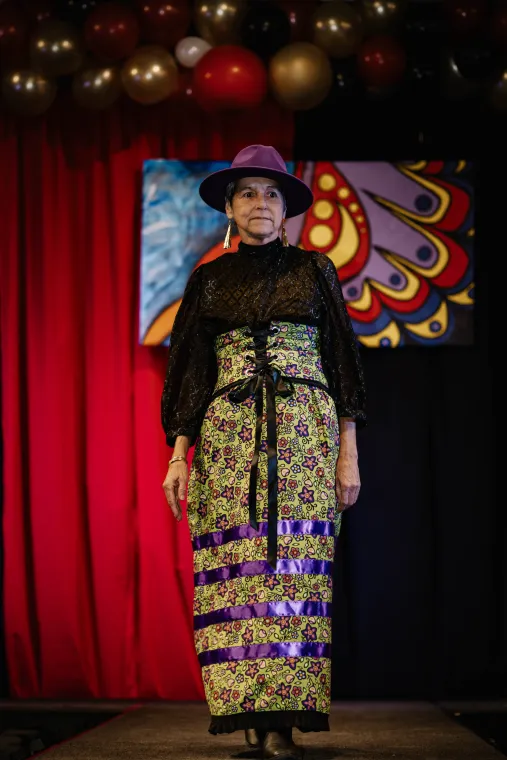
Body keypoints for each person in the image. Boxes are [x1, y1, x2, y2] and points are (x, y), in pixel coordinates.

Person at [161, 145, 366, 760]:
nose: (260, 203)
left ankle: (283, 719)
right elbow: (191, 372)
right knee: (236, 573)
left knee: (294, 570)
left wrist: (348, 452)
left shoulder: (314, 270)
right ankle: (244, 708)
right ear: (230, 206)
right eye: (247, 192)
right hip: (229, 438)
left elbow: (343, 362)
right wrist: (178, 456)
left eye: (271, 193)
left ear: (286, 211)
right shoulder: (210, 279)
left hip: (305, 432)